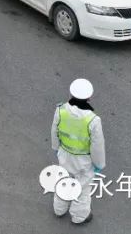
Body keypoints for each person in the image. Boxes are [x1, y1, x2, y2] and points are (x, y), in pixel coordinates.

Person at [51, 78, 106, 225]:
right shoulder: (93, 120)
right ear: (90, 97)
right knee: (82, 189)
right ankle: (79, 216)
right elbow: (97, 146)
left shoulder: (60, 110)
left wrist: (56, 149)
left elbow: (54, 132)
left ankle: (59, 209)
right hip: (83, 161)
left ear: (70, 94)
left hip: (64, 155)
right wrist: (99, 164)